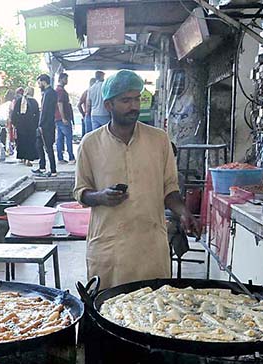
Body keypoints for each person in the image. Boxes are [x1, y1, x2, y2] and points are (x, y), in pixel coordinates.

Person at [73, 70, 200, 289]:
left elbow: (169, 188)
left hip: (150, 248)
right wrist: (101, 196)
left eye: (136, 99)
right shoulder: (90, 144)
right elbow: (81, 192)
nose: (133, 106)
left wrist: (184, 212)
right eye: (125, 100)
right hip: (110, 247)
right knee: (105, 312)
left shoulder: (159, 140)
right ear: (108, 105)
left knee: (153, 315)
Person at [32, 73, 57, 176]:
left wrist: (40, 124)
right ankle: (42, 166)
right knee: (39, 145)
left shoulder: (48, 93)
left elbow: (45, 110)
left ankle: (53, 170)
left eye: (39, 83)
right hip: (47, 123)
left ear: (43, 82)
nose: (38, 85)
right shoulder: (49, 93)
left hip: (46, 125)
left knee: (48, 147)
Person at [11, 86, 39, 167]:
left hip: (20, 125)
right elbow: (37, 114)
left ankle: (22, 157)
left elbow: (14, 113)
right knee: (30, 142)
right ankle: (28, 159)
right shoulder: (34, 102)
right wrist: (36, 125)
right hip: (31, 126)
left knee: (22, 142)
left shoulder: (20, 101)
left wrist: (14, 123)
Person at [55, 72, 75, 164]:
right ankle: (71, 157)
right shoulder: (61, 91)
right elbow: (60, 103)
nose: (67, 81)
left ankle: (60, 157)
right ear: (61, 79)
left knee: (60, 138)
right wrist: (63, 117)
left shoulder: (58, 90)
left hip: (58, 118)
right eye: (65, 79)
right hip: (63, 117)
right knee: (68, 137)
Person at [7, 86, 24, 157]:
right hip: (21, 121)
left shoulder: (14, 101)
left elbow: (11, 111)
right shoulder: (23, 100)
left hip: (15, 121)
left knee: (16, 137)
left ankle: (20, 154)